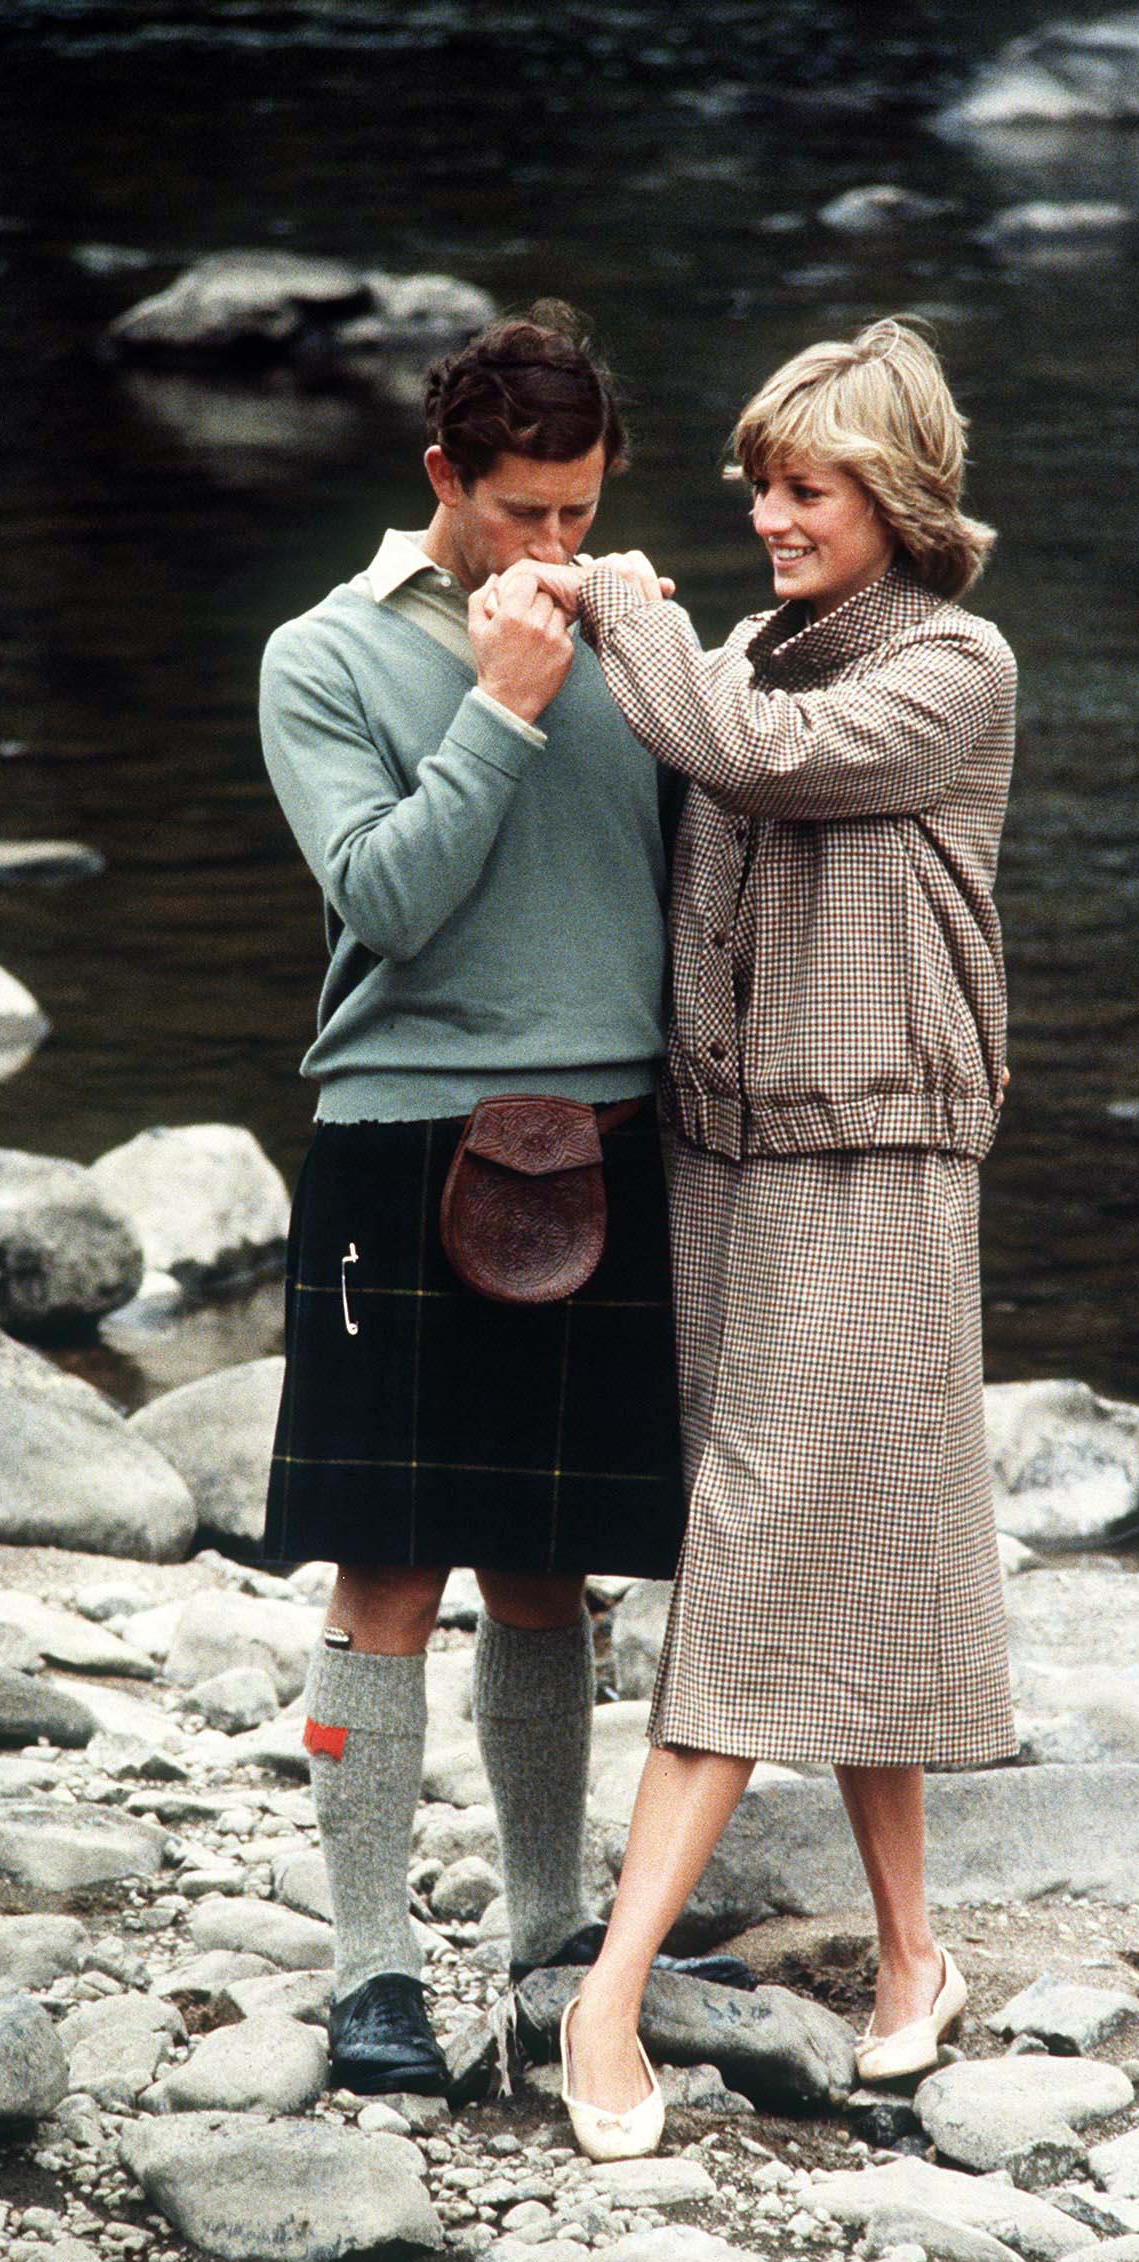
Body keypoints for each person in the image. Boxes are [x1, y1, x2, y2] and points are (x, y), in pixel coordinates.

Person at [511, 316, 1019, 2159]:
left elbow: (755, 759)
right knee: (846, 1535)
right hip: (728, 1166)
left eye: (806, 488)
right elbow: (708, 747)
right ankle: (913, 1959)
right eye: (760, 486)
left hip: (875, 1163)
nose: (770, 516)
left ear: (896, 495)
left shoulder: (953, 666)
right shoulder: (743, 653)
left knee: (749, 1552)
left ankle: (608, 1997)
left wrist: (619, 608)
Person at [256, 301, 735, 2102]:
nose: (554, 545)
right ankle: (371, 1968)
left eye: (581, 510)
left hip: (606, 1131)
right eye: (523, 510)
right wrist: (506, 703)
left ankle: (548, 1941)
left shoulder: (628, 636)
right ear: (442, 477)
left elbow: (711, 868)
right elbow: (385, 899)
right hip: (402, 1134)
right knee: (387, 1564)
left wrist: (663, 663)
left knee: (549, 1569)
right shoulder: (321, 655)